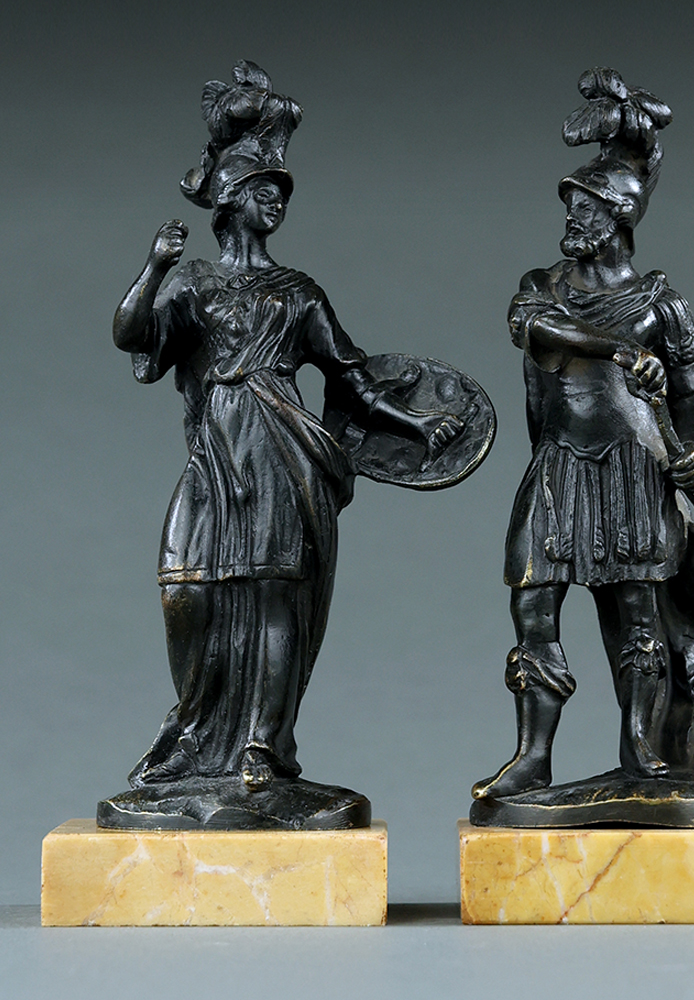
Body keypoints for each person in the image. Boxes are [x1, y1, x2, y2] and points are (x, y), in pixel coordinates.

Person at [108, 63, 463, 823]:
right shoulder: (194, 283)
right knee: (187, 587)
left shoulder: (299, 292)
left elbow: (353, 378)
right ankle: (197, 735)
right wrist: (155, 265)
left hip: (280, 454)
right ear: (230, 196)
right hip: (215, 455)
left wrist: (417, 425)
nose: (276, 200)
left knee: (274, 595)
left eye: (282, 192)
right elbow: (132, 335)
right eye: (264, 188)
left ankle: (262, 751)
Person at [474, 69, 694, 803]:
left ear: (619, 218)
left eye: (587, 208)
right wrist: (620, 351)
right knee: (532, 603)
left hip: (636, 469)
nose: (574, 218)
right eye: (572, 205)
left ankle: (642, 752)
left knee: (638, 616)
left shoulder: (661, 302)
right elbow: (534, 329)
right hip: (560, 466)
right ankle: (532, 757)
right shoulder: (544, 287)